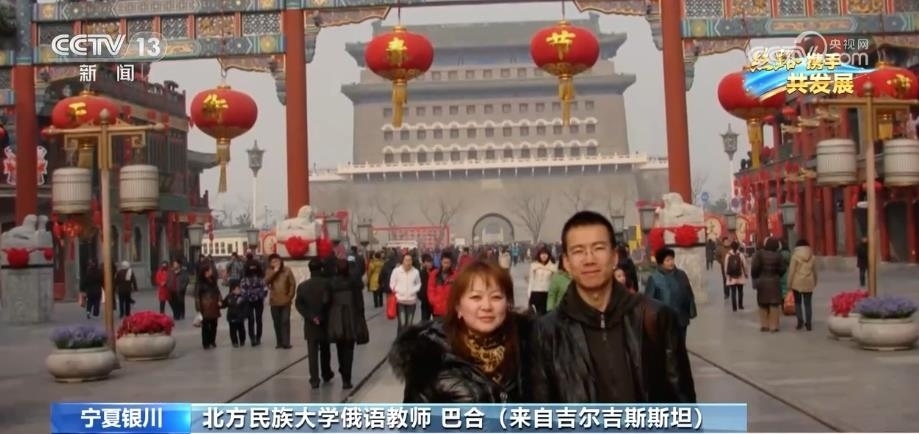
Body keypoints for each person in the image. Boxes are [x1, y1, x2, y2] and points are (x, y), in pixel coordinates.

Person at [531, 211, 696, 403]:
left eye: (598, 248)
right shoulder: (546, 333)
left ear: (614, 256)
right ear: (566, 262)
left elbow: (682, 402)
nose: (589, 259)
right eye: (578, 251)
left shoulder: (655, 317)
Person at [389, 260, 533, 402]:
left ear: (507, 303)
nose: (487, 306)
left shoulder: (529, 348)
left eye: (496, 297)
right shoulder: (429, 358)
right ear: (458, 306)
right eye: (476, 297)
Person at [326, 258, 369, 389]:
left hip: (336, 317)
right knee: (349, 348)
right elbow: (359, 304)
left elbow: (326, 300)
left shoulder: (331, 282)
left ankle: (342, 368)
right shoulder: (353, 282)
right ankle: (347, 378)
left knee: (340, 346)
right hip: (351, 317)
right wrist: (361, 318)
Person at [644, 248, 697, 351]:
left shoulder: (681, 274)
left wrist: (691, 311)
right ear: (661, 262)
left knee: (681, 346)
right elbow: (649, 301)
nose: (671, 262)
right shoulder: (654, 278)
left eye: (672, 259)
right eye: (667, 260)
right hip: (664, 321)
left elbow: (689, 293)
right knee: (669, 348)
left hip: (681, 318)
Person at [295, 259, 334, 388]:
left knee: (312, 352)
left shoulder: (302, 286)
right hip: (325, 321)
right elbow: (328, 301)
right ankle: (326, 373)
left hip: (310, 323)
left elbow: (299, 304)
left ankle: (314, 379)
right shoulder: (327, 284)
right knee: (325, 350)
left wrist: (312, 317)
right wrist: (321, 315)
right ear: (321, 269)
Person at [751, 238, 787, 333]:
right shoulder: (779, 256)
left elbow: (755, 268)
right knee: (774, 305)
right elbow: (783, 269)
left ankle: (764, 325)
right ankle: (774, 326)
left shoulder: (760, 254)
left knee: (762, 304)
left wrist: (756, 276)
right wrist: (777, 274)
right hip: (774, 281)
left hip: (762, 281)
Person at [265, 254, 296, 349]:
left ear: (281, 261)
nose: (275, 263)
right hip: (274, 301)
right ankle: (279, 342)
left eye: (277, 261)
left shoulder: (287, 270)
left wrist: (290, 295)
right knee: (277, 322)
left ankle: (286, 342)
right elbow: (266, 281)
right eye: (273, 262)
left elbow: (292, 283)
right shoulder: (269, 271)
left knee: (285, 321)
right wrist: (275, 271)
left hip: (286, 300)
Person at [787, 239, 818, 331]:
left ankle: (800, 321)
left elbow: (792, 271)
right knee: (808, 304)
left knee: (797, 303)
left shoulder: (795, 256)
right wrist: (815, 281)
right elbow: (815, 271)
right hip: (809, 281)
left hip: (797, 281)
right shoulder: (812, 257)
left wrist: (789, 283)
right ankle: (809, 323)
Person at [390, 252, 421, 333]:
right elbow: (392, 283)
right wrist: (398, 290)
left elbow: (418, 284)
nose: (408, 262)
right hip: (400, 301)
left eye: (410, 260)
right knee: (402, 323)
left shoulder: (415, 272)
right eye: (406, 260)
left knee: (409, 324)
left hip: (411, 301)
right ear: (403, 261)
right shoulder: (396, 271)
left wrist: (414, 290)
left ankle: (407, 339)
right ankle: (400, 338)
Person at [241, 254, 267, 346]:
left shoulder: (260, 278)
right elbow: (243, 290)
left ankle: (258, 337)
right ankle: (252, 338)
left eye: (254, 267)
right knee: (251, 319)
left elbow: (265, 288)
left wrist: (261, 295)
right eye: (251, 267)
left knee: (259, 319)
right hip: (249, 301)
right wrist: (247, 295)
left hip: (259, 300)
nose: (252, 269)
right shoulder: (245, 279)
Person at [195, 264, 222, 349]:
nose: (211, 271)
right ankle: (205, 342)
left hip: (214, 305)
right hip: (205, 306)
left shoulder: (213, 281)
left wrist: (220, 300)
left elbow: (218, 291)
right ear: (205, 272)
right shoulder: (200, 283)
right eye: (210, 270)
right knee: (206, 325)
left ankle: (212, 341)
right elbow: (197, 296)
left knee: (214, 324)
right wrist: (198, 308)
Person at [527, 247, 556, 315]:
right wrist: (529, 293)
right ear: (539, 255)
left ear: (548, 255)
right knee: (535, 314)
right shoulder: (534, 266)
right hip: (536, 292)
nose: (544, 256)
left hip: (547, 293)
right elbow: (531, 280)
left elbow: (554, 282)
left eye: (545, 254)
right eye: (542, 254)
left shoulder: (553, 267)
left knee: (546, 314)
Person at [427, 252, 457, 319]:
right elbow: (430, 289)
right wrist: (434, 301)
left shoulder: (455, 275)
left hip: (450, 309)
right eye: (444, 262)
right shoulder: (434, 274)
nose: (446, 265)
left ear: (451, 263)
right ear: (441, 262)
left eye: (448, 263)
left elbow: (457, 290)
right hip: (437, 308)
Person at [221, 281, 248, 347]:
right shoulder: (229, 297)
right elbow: (224, 304)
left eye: (239, 289)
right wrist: (220, 305)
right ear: (232, 290)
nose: (238, 290)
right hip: (231, 317)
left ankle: (242, 340)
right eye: (236, 289)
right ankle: (234, 342)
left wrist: (245, 315)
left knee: (241, 330)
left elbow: (245, 307)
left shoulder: (242, 297)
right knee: (232, 331)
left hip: (240, 317)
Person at [723, 241, 748, 312]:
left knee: (733, 292)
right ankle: (740, 305)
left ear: (731, 247)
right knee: (740, 291)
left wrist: (726, 275)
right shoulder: (741, 255)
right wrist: (746, 273)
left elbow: (726, 266)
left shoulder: (728, 255)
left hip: (731, 277)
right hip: (740, 275)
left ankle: (734, 307)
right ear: (737, 247)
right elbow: (745, 265)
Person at [418, 254, 435, 322]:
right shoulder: (421, 273)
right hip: (425, 301)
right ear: (424, 263)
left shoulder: (436, 272)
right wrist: (420, 296)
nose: (429, 263)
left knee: (436, 322)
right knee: (424, 322)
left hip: (434, 302)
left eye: (430, 262)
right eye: (427, 262)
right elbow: (418, 285)